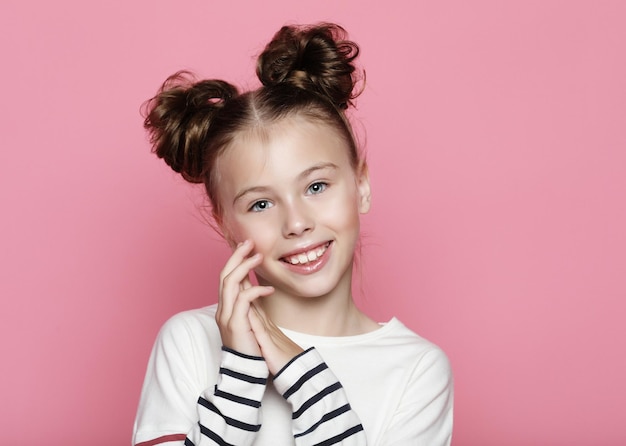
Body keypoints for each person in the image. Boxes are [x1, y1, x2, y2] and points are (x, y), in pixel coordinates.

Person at [133, 23, 453, 446]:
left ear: (361, 185)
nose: (297, 223)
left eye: (316, 187)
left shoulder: (416, 369)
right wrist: (241, 373)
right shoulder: (190, 341)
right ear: (226, 224)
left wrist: (304, 380)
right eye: (260, 204)